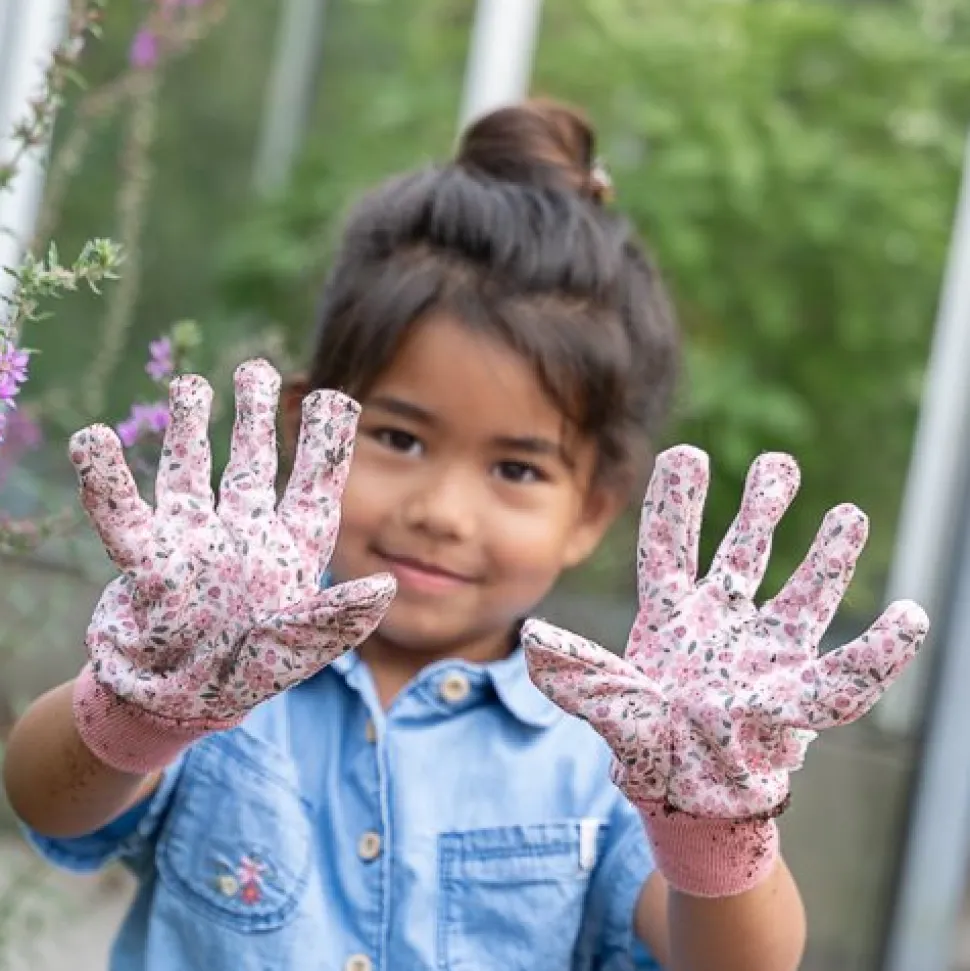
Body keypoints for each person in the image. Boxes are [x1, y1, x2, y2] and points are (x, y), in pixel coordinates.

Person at [2, 99, 927, 971]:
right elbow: (46, 797)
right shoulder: (218, 663)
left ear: (594, 510)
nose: (444, 510)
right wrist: (143, 706)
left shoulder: (620, 751)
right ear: (307, 429)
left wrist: (715, 821)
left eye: (516, 469)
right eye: (399, 438)